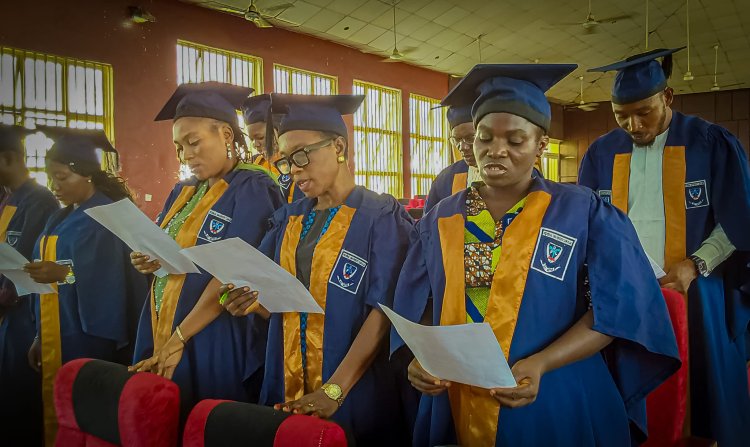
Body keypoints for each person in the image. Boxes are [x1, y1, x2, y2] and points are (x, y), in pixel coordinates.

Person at [391, 64, 681, 447]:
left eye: (515, 140)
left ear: (541, 145)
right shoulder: (441, 217)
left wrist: (544, 362)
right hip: (457, 393)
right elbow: (422, 303)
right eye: (484, 137)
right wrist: (423, 355)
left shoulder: (584, 214)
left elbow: (617, 312)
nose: (497, 150)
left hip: (555, 390)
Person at [579, 47, 750, 447]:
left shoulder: (710, 143)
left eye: (644, 112)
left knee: (700, 386)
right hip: (625, 290)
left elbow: (738, 220)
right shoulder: (602, 152)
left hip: (693, 287)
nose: (633, 125)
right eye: (622, 115)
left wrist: (695, 264)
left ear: (667, 98)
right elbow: (587, 221)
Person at [221, 94, 415, 445]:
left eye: (301, 154)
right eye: (284, 161)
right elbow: (275, 303)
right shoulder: (287, 219)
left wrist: (335, 390)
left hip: (355, 385)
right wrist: (248, 301)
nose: (293, 169)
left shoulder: (380, 217)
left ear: (338, 146)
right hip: (287, 376)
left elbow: (384, 311)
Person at [130, 82, 285, 408]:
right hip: (163, 324)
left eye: (194, 142)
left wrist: (180, 338)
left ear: (226, 135)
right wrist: (149, 259)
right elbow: (170, 251)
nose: (186, 155)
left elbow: (236, 270)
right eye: (179, 147)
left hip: (212, 332)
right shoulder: (182, 191)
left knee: (205, 420)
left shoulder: (253, 188)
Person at [23, 127, 148, 445]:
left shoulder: (108, 217)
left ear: (86, 175)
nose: (54, 186)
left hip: (90, 337)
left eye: (62, 177)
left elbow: (110, 281)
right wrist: (41, 333)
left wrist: (62, 273)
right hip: (57, 330)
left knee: (86, 413)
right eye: (50, 177)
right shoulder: (60, 217)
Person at [0, 124, 58, 446]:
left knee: (21, 402)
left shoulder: (39, 202)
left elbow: (27, 267)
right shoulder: (9, 199)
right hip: (8, 319)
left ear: (8, 158)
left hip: (28, 317)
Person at [242, 94, 304, 203]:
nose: (256, 144)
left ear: (277, 130)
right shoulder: (254, 163)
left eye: (260, 137)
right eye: (252, 140)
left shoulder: (296, 165)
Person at [424, 105, 478, 212]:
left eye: (470, 138)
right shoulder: (446, 178)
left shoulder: (512, 174)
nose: (462, 147)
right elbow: (427, 224)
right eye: (456, 140)